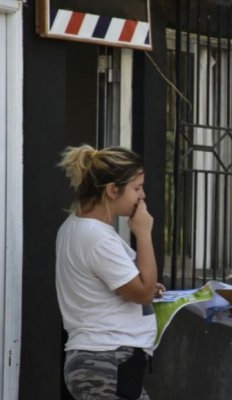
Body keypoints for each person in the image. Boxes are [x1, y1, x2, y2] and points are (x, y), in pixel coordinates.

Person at [55, 144, 165, 400]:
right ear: (113, 190)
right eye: (136, 188)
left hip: (105, 360)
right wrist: (144, 233)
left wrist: (145, 284)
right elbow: (143, 293)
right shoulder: (97, 237)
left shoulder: (78, 228)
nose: (142, 196)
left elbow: (133, 285)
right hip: (106, 359)